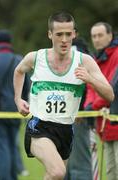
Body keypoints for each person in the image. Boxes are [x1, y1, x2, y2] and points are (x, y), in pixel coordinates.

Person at [13, 12, 114, 180]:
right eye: (59, 34)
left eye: (68, 34)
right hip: (39, 127)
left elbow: (110, 95)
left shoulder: (85, 61)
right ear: (50, 34)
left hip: (66, 130)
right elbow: (18, 71)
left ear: (74, 33)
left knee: (54, 176)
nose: (64, 39)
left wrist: (90, 79)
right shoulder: (36, 58)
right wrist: (18, 99)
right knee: (58, 172)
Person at [84, 22, 118, 180]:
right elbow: (91, 86)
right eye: (93, 36)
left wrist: (93, 106)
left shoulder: (116, 55)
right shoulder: (95, 59)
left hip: (114, 120)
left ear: (110, 36)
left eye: (100, 35)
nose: (96, 39)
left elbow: (112, 87)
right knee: (110, 172)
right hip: (105, 126)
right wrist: (88, 105)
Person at [0, 29, 30, 180]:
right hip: (17, 110)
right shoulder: (19, 59)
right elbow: (27, 86)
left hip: (0, 112)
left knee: (2, 146)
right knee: (12, 145)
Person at [65, 36, 93, 180]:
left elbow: (80, 83)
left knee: (77, 165)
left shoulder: (74, 53)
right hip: (71, 115)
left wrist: (81, 108)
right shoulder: (82, 54)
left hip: (76, 116)